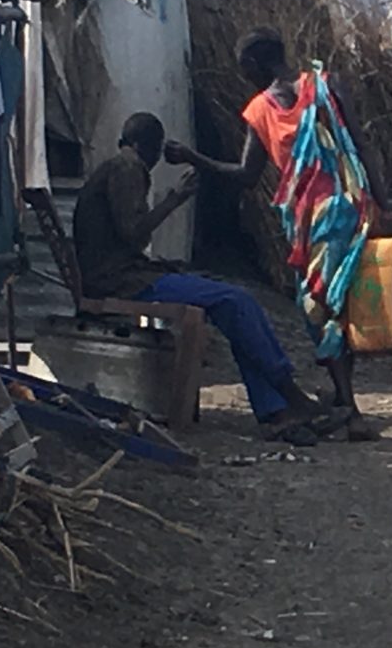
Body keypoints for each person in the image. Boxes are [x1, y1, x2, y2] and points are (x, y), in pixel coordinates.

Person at [167, 28, 386, 441]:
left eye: (244, 68)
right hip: (350, 209)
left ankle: (351, 409)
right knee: (337, 305)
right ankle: (343, 402)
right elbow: (363, 143)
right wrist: (384, 200)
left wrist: (191, 157)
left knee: (321, 308)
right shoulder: (324, 85)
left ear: (253, 65)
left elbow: (246, 175)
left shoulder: (260, 110)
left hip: (320, 219)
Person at [73, 113, 326, 444]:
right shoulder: (127, 168)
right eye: (155, 150)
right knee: (235, 302)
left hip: (123, 275)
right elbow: (133, 233)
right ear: (141, 145)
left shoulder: (119, 166)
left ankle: (277, 410)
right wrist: (174, 199)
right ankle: (285, 395)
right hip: (123, 281)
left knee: (235, 305)